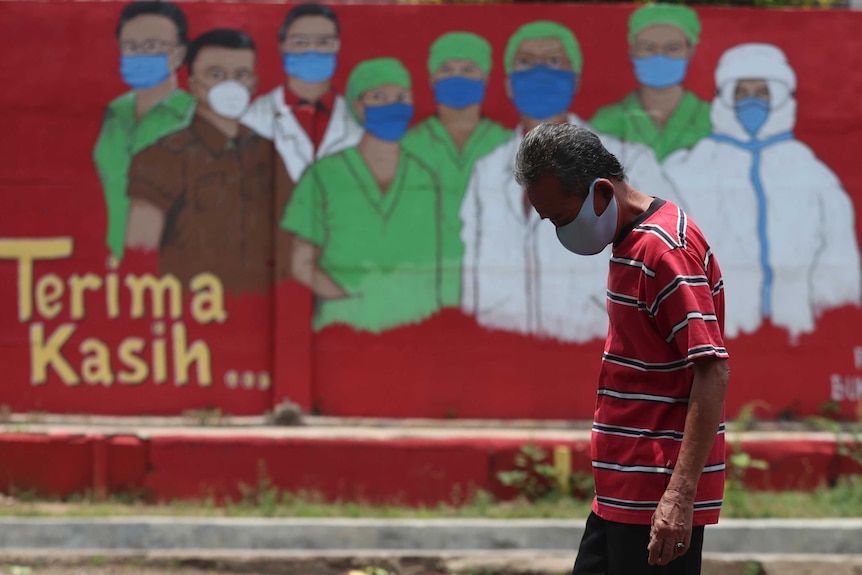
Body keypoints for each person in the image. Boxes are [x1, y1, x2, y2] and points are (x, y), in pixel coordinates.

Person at [514, 123, 729, 574]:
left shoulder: (665, 250)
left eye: (560, 218)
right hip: (620, 490)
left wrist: (678, 495)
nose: (560, 230)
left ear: (600, 191)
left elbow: (711, 370)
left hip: (655, 495)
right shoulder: (629, 243)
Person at [460, 20, 678, 343]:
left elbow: (660, 249)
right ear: (507, 84)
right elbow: (472, 272)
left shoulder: (629, 159)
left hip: (594, 333)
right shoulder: (486, 170)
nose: (540, 73)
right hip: (505, 340)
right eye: (527, 62)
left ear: (575, 80)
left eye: (553, 62)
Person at [664, 43, 861, 339]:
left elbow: (839, 260)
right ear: (724, 97)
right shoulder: (688, 169)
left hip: (798, 333)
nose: (751, 101)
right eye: (741, 91)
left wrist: (818, 317)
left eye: (762, 92)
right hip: (712, 335)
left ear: (781, 97)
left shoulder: (811, 172)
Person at [280, 58, 442, 333]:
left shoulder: (423, 177)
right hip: (345, 325)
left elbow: (433, 265)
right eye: (379, 97)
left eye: (402, 97)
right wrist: (349, 302)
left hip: (414, 323)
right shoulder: (325, 175)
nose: (393, 105)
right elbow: (301, 263)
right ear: (358, 106)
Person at [125, 29, 292, 294]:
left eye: (241, 75)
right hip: (194, 315)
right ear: (192, 84)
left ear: (254, 84)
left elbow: (293, 233)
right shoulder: (163, 156)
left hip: (258, 312)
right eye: (216, 75)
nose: (230, 85)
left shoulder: (267, 152)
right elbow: (139, 252)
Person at [402, 32, 512, 307]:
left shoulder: (508, 145)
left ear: (485, 78)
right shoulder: (407, 147)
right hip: (419, 291)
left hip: (496, 292)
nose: (457, 77)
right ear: (432, 80)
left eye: (468, 69)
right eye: (446, 69)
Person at [94, 0, 195, 262]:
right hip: (111, 268)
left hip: (177, 274)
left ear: (179, 54)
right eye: (131, 47)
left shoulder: (196, 119)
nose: (139, 55)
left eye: (151, 47)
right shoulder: (114, 115)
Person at [242, 3, 363, 184]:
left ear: (337, 46)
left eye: (323, 42)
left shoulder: (359, 120)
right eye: (300, 42)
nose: (312, 50)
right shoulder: (253, 118)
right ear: (282, 47)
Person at [590, 4, 710, 162]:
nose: (659, 56)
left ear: (690, 52)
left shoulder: (713, 119)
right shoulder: (606, 121)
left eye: (672, 48)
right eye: (648, 48)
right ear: (632, 51)